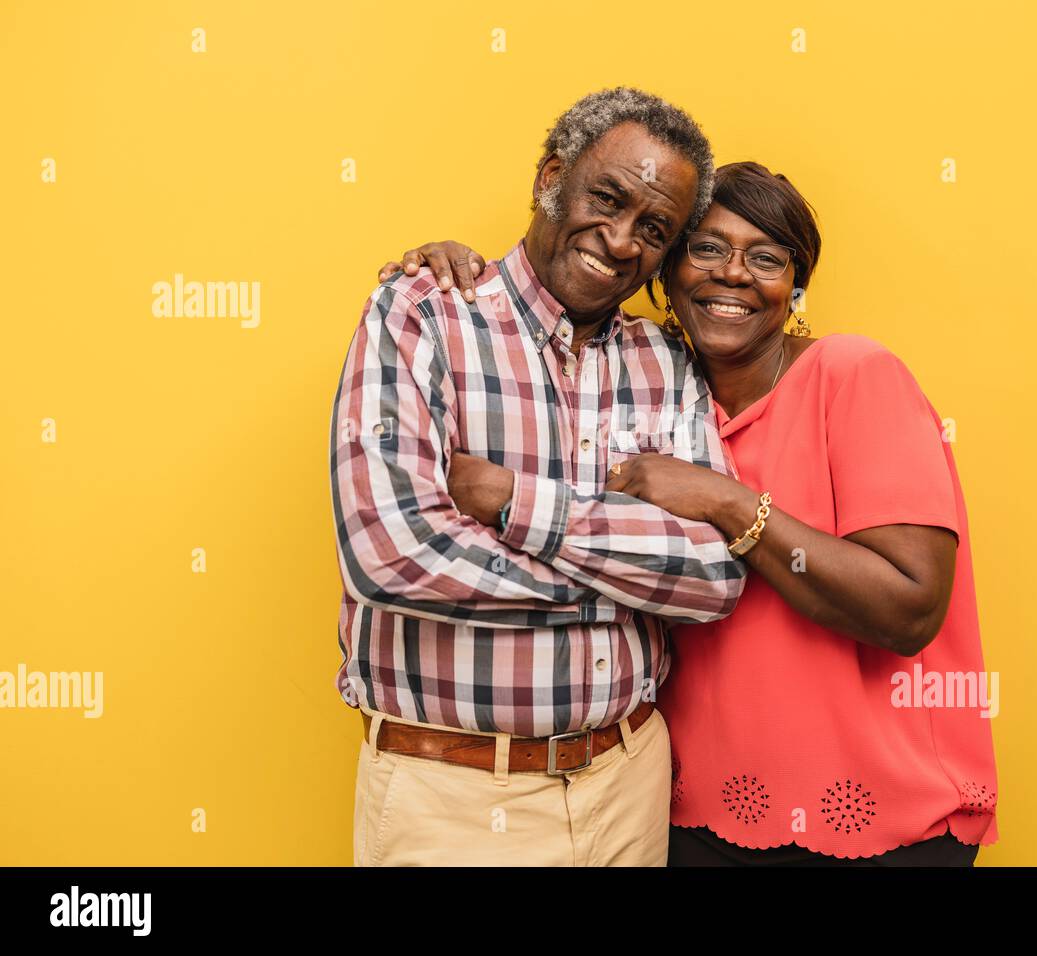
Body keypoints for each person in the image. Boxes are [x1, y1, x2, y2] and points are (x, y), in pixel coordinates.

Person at [381, 162, 999, 866]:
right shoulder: (648, 387)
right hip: (688, 814)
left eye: (765, 257)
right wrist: (462, 274)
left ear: (795, 288)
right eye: (706, 248)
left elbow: (909, 611)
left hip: (875, 820)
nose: (732, 274)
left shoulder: (852, 375)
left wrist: (726, 501)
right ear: (665, 274)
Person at [330, 87, 748, 867]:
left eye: (653, 229)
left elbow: (716, 576)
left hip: (630, 781)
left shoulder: (665, 359)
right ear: (551, 177)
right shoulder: (422, 314)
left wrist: (518, 507)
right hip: (451, 796)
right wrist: (619, 583)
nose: (621, 240)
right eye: (606, 198)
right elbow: (390, 553)